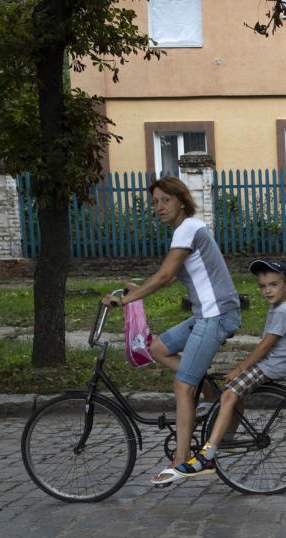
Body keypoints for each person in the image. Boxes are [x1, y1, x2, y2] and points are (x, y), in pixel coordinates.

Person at [102, 176, 240, 486]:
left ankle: (183, 462)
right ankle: (212, 393)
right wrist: (138, 290)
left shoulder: (188, 228)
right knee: (158, 348)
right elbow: (179, 276)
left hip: (215, 315)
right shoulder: (186, 231)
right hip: (206, 313)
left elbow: (164, 276)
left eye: (166, 200)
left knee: (181, 386)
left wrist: (125, 300)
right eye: (155, 202)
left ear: (181, 200)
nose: (159, 207)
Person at [174, 259, 286, 478]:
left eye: (273, 285)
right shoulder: (281, 308)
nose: (268, 290)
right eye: (263, 286)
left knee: (228, 395)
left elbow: (264, 346)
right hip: (273, 363)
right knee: (236, 390)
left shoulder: (283, 312)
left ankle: (207, 455)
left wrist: (240, 367)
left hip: (272, 366)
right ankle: (228, 437)